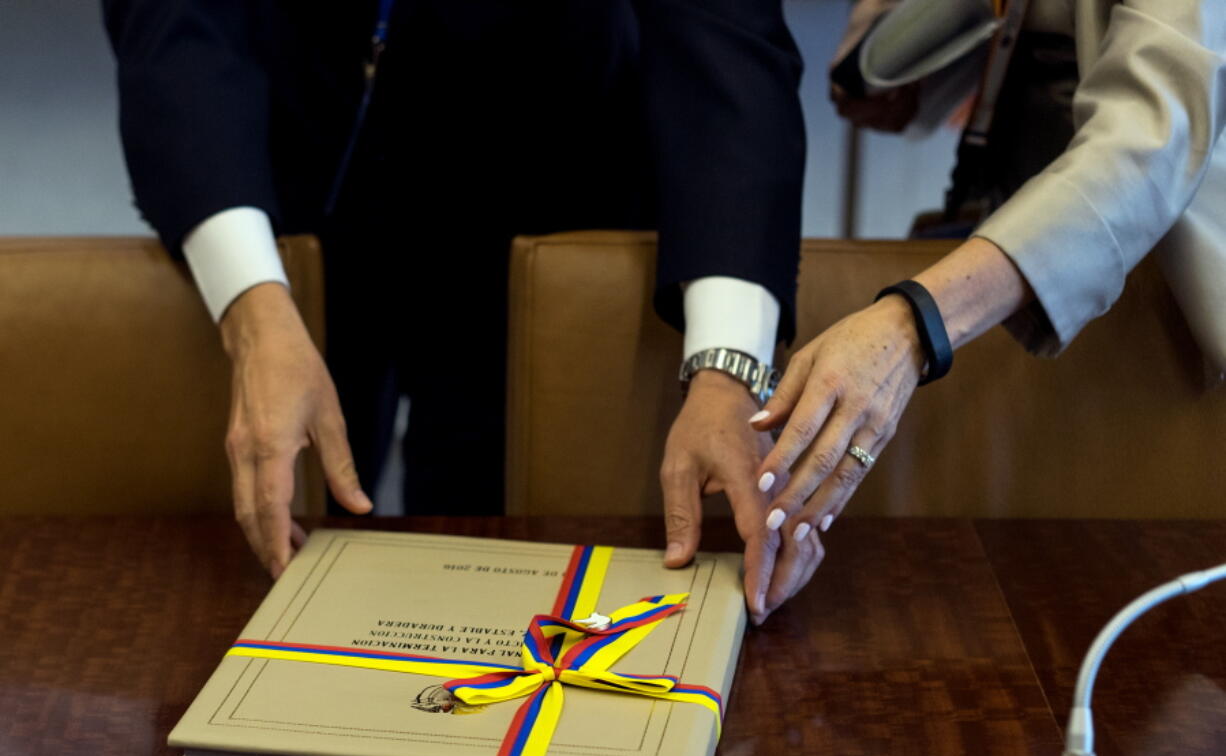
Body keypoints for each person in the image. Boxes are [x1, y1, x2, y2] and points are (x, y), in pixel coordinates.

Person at [104, 0, 813, 619]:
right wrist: (254, 316)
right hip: (288, 201)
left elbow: (725, 39)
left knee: (512, 579)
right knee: (267, 560)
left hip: (548, 201)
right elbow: (177, 21)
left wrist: (726, 366)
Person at [745, 0, 1226, 622]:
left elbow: (1147, 146)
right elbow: (877, 93)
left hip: (1163, 312)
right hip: (1006, 282)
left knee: (1142, 630)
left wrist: (912, 323)